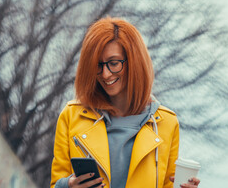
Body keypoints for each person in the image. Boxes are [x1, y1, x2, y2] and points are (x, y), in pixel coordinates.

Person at [50, 17, 200, 188]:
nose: (105, 74)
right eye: (98, 65)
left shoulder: (167, 122)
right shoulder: (71, 116)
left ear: (135, 62)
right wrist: (67, 186)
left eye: (114, 63)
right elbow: (56, 183)